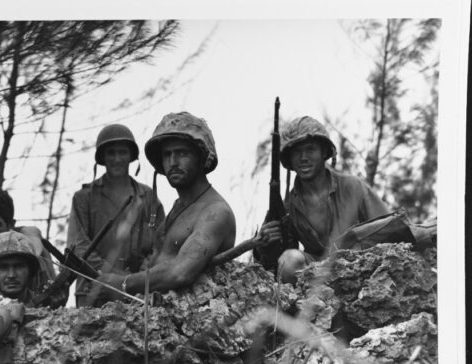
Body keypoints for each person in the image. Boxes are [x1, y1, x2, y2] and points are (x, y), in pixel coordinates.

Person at [98, 112, 236, 296]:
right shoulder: (175, 211)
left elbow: (181, 273)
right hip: (158, 316)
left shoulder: (216, 212)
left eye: (182, 153)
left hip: (196, 320)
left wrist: (121, 283)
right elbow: (153, 269)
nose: (173, 162)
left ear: (202, 158)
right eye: (167, 154)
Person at [257, 116, 390, 284]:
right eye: (297, 152)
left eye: (310, 149)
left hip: (358, 265)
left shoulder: (352, 187)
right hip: (315, 272)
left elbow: (389, 227)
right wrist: (266, 242)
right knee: (289, 260)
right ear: (289, 159)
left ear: (324, 153)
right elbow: (274, 261)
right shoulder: (288, 206)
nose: (303, 157)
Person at [67, 124, 164, 307]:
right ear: (102, 157)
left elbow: (161, 242)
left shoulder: (148, 198)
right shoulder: (84, 198)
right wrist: (110, 274)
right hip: (92, 291)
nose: (117, 159)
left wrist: (138, 276)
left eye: (122, 152)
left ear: (131, 156)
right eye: (111, 153)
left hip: (135, 293)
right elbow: (78, 245)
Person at [0, 230, 41, 305]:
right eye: (3, 268)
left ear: (30, 270)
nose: (11, 275)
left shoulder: (45, 304)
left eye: (18, 266)